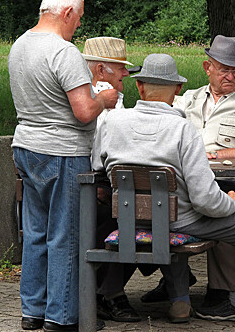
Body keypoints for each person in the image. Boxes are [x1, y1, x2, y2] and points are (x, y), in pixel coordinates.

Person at [92, 53, 235, 326]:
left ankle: (179, 299)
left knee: (173, 217)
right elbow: (205, 200)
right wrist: (232, 203)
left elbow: (96, 166)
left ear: (140, 87)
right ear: (178, 90)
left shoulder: (111, 122)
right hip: (181, 220)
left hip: (128, 218)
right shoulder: (183, 129)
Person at [142, 35, 235, 320]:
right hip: (183, 184)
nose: (231, 76)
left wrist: (216, 156)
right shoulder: (186, 99)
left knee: (221, 203)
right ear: (207, 67)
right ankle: (175, 284)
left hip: (230, 181)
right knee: (162, 201)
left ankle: (226, 293)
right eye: (224, 69)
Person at [8, 0, 118, 332]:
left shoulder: (19, 45)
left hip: (26, 146)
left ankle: (32, 311)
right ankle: (62, 316)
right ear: (68, 13)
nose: (78, 25)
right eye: (79, 18)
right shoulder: (64, 52)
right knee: (66, 235)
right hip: (63, 152)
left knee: (36, 231)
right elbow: (84, 111)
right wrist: (106, 98)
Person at [82, 36, 141, 323]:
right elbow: (103, 154)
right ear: (101, 70)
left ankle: (106, 292)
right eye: (121, 68)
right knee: (136, 216)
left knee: (140, 208)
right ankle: (108, 293)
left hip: (98, 182)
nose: (126, 74)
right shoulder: (103, 96)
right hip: (92, 184)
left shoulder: (99, 94)